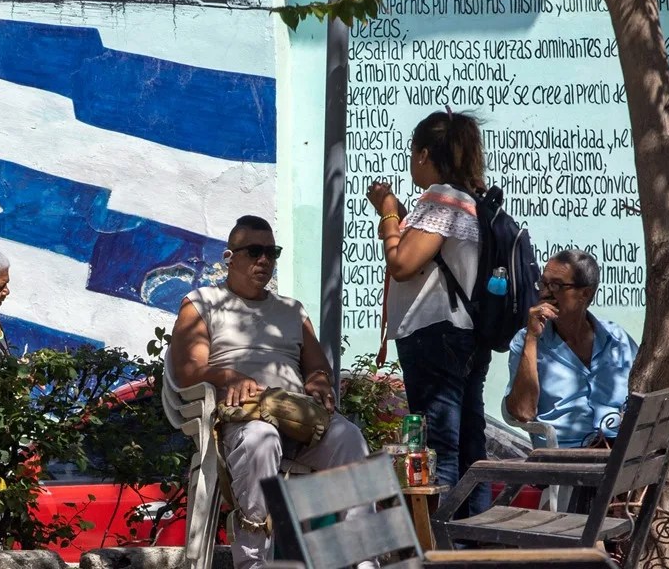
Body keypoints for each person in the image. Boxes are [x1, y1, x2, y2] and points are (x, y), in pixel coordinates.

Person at [169, 215, 369, 569]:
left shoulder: (291, 310)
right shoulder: (202, 302)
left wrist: (319, 380)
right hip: (243, 417)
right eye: (254, 251)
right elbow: (186, 371)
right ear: (230, 257)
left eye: (271, 252)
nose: (264, 260)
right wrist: (227, 375)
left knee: (350, 438)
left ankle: (361, 557)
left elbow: (318, 366)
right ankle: (253, 561)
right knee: (261, 438)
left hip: (298, 418)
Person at [366, 109, 491, 518]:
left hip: (435, 336)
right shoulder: (470, 202)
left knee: (440, 447)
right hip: (465, 335)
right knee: (471, 444)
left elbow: (402, 263)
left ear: (423, 154)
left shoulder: (443, 199)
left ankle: (444, 547)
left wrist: (387, 212)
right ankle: (476, 544)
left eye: (411, 152)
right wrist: (401, 215)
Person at [505, 249, 636, 448]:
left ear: (586, 293)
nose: (545, 293)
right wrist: (532, 339)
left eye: (556, 285)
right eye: (543, 284)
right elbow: (523, 412)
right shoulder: (526, 341)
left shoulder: (617, 339)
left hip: (618, 452)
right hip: (564, 456)